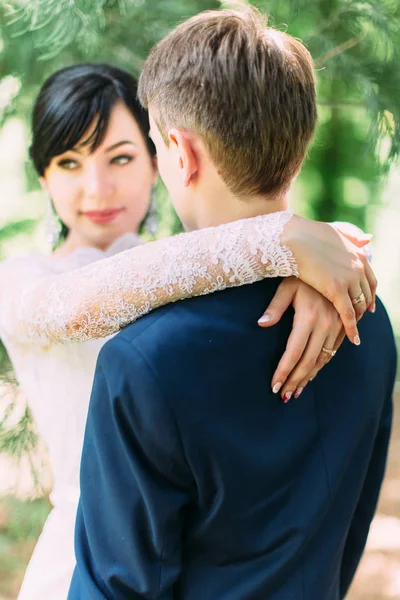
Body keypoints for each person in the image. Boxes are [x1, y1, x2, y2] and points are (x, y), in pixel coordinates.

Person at [0, 62, 373, 599]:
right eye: (68, 163)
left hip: (202, 558)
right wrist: (281, 240)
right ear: (43, 178)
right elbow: (76, 308)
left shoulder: (204, 267)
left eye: (121, 157)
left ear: (160, 159)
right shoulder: (22, 280)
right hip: (83, 565)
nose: (96, 187)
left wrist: (325, 255)